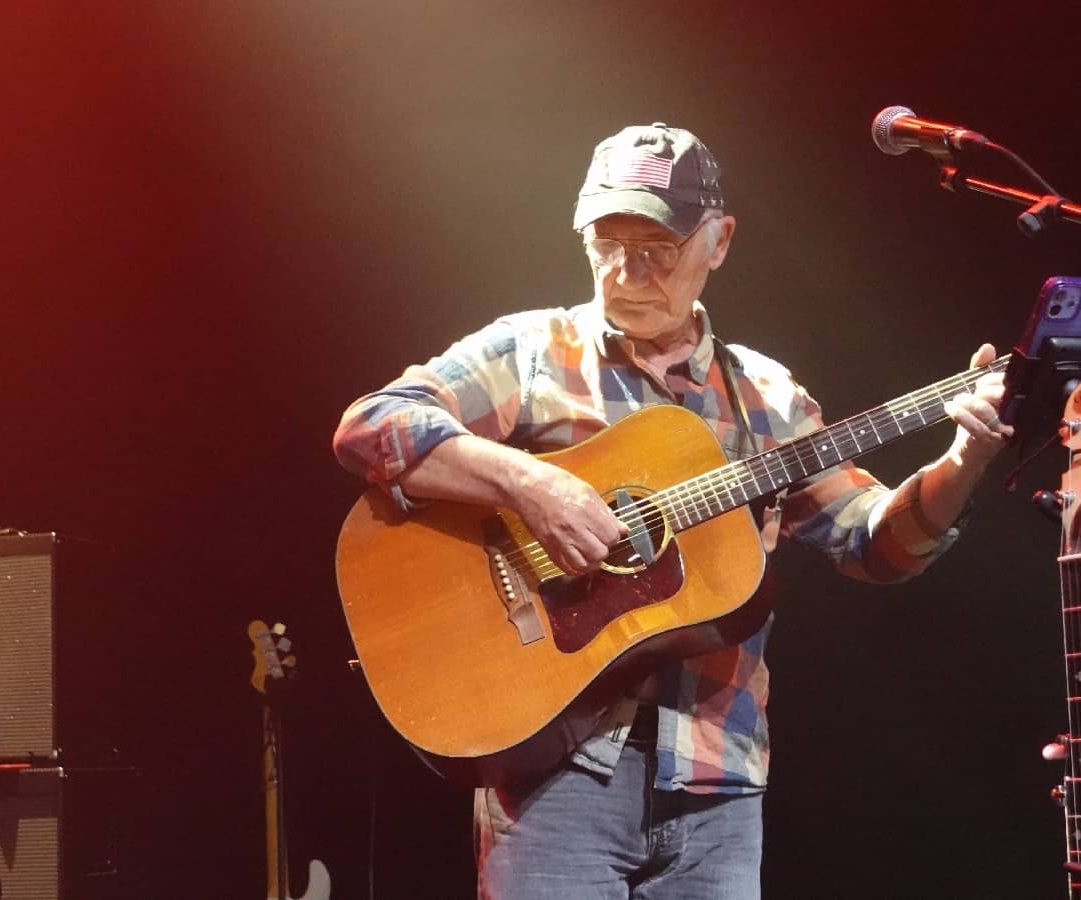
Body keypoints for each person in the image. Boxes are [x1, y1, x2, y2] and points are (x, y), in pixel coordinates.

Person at [331, 124, 1009, 899]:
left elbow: (874, 545)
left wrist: (965, 459)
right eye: (605, 242)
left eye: (655, 248)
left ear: (717, 242)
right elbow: (373, 426)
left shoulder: (766, 396)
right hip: (555, 773)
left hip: (719, 778)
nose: (625, 273)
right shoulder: (530, 352)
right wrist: (530, 485)